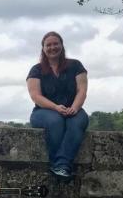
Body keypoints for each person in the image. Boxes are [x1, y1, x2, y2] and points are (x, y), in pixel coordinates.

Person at [26, 31, 89, 180]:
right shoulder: (36, 70)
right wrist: (56, 107)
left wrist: (75, 107)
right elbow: (36, 96)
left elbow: (82, 90)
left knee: (78, 122)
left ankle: (60, 165)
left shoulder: (76, 65)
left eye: (56, 44)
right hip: (44, 111)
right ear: (43, 48)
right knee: (55, 121)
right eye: (49, 45)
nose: (52, 47)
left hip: (73, 108)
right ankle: (60, 164)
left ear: (61, 46)